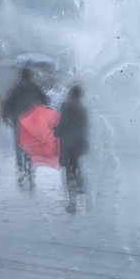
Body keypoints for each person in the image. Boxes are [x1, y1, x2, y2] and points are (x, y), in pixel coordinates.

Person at [3, 67, 49, 185]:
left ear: (21, 75)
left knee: (19, 145)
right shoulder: (35, 87)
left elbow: (8, 102)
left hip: (18, 120)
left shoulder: (16, 87)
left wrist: (5, 116)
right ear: (30, 76)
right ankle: (31, 169)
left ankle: (21, 168)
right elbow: (45, 99)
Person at [54, 84, 89, 213]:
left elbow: (63, 122)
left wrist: (56, 131)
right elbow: (86, 125)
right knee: (76, 164)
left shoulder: (66, 106)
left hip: (68, 140)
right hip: (79, 140)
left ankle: (72, 202)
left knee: (68, 169)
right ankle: (81, 183)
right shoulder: (82, 107)